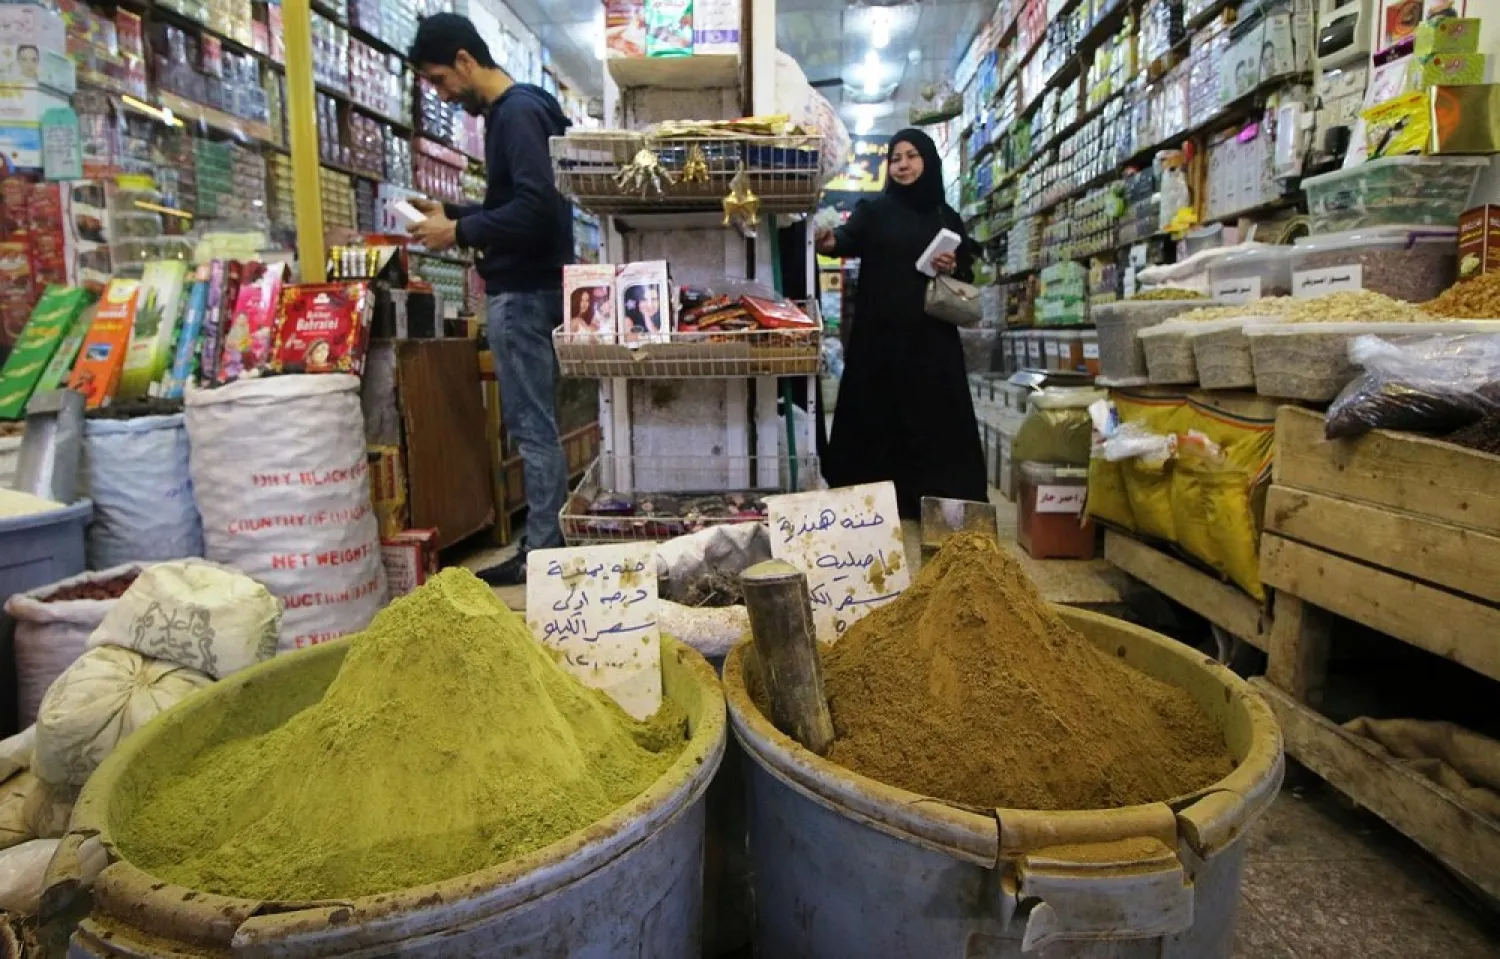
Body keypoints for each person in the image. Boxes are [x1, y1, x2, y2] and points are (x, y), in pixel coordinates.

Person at [407, 13, 574, 585]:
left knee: (533, 427)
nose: (443, 95)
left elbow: (536, 209)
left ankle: (542, 552)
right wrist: (455, 213)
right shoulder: (525, 110)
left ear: (464, 60)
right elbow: (525, 205)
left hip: (523, 292)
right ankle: (547, 542)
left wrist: (458, 231)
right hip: (535, 287)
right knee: (537, 425)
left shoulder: (516, 113)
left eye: (439, 80)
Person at [815, 128, 987, 518]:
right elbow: (845, 239)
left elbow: (967, 274)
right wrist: (827, 241)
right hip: (879, 337)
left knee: (933, 418)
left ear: (929, 162)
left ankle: (938, 502)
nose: (902, 165)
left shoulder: (946, 216)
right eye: (895, 158)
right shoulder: (875, 210)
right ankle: (872, 507)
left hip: (932, 338)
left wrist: (952, 264)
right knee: (876, 415)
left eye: (911, 156)